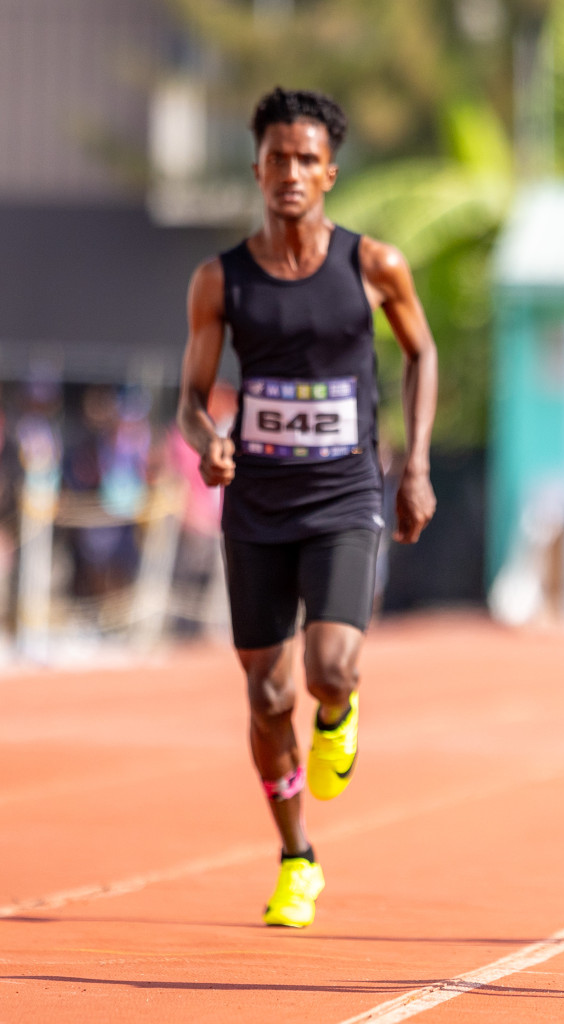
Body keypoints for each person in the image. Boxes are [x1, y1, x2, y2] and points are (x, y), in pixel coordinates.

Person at [177, 87, 437, 927]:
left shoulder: (372, 265)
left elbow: (421, 352)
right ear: (258, 168)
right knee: (263, 697)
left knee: (330, 668)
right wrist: (207, 436)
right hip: (256, 500)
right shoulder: (220, 280)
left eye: (306, 159)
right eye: (276, 159)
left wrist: (416, 465)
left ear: (330, 171)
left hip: (343, 492)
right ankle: (297, 857)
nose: (290, 172)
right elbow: (191, 396)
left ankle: (340, 708)